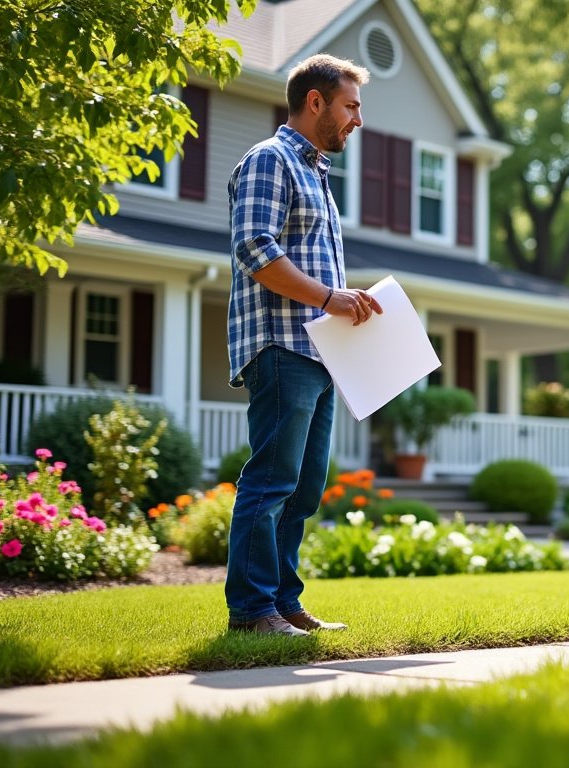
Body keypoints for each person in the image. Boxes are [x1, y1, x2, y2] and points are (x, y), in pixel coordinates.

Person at [225, 54, 382, 635]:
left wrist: (344, 299)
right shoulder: (271, 160)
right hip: (281, 345)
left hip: (319, 352)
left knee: (306, 487)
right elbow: (255, 249)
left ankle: (284, 602)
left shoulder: (315, 172)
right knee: (271, 480)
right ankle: (251, 610)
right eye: (351, 106)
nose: (357, 121)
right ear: (315, 102)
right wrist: (328, 298)